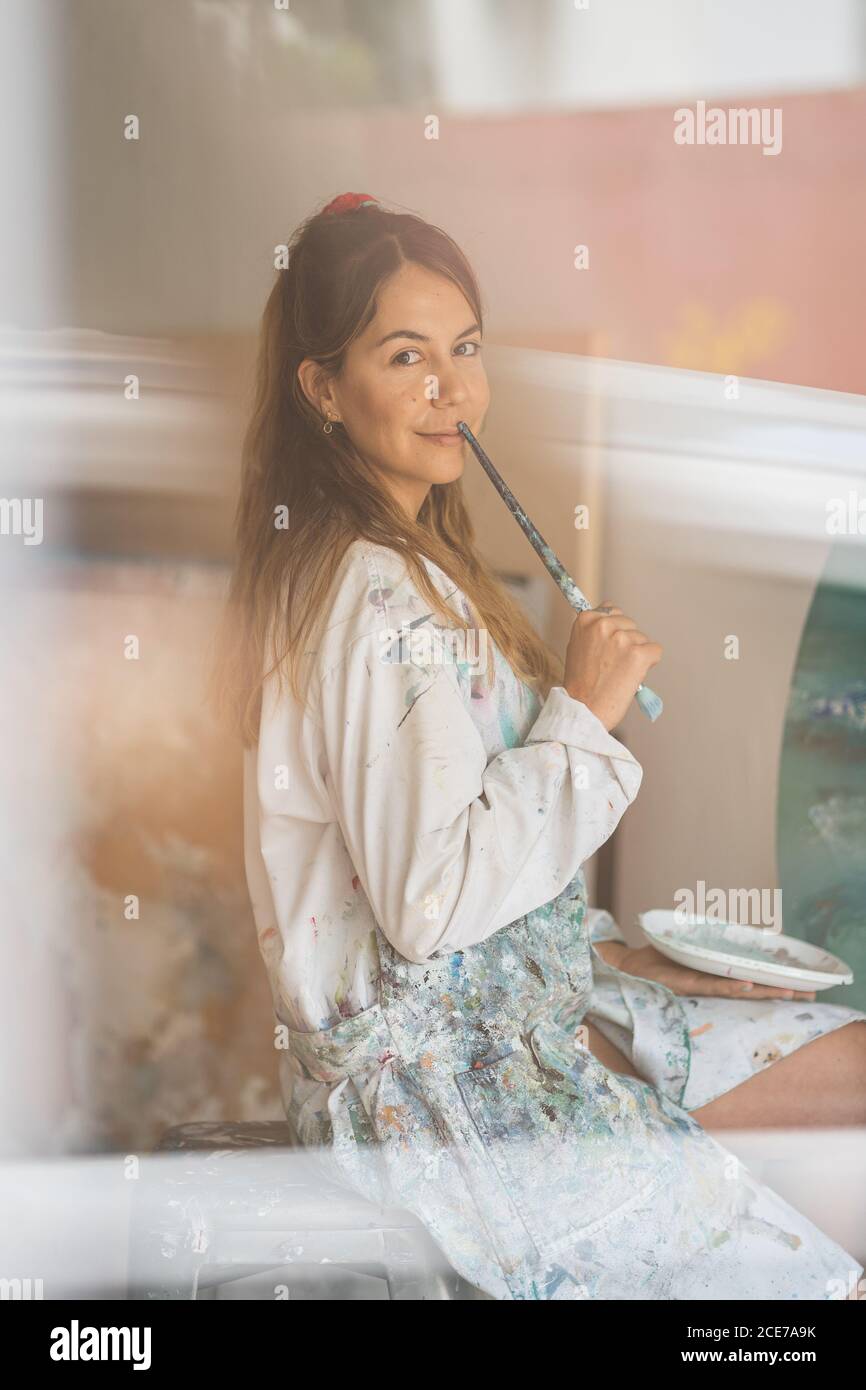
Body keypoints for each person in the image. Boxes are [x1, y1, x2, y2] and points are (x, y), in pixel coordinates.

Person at [211, 191, 866, 1301]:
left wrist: (633, 958)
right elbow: (429, 906)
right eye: (405, 355)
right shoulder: (374, 607)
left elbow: (470, 891)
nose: (450, 388)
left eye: (464, 349)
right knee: (803, 1282)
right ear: (322, 388)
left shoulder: (410, 568)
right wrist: (580, 713)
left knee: (844, 1067)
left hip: (514, 1011)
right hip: (438, 1095)